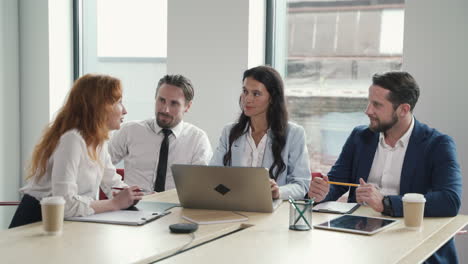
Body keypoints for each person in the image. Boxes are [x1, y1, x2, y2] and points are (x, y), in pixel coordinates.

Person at [308, 71, 462, 263]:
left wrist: (386, 203)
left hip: (411, 240)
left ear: (404, 110)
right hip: (359, 238)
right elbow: (336, 182)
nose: (368, 110)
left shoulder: (437, 144)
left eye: (377, 105)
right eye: (369, 102)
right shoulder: (360, 137)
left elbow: (450, 200)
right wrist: (323, 191)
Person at [9, 74, 143, 228]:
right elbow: (64, 205)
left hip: (70, 221)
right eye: (119, 102)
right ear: (100, 107)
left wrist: (132, 195)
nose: (125, 110)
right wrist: (114, 203)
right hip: (37, 222)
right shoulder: (72, 140)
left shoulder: (98, 141)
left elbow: (112, 182)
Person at [210, 65, 311, 200]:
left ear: (272, 98)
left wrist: (278, 192)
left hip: (273, 213)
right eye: (245, 91)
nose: (248, 99)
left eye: (256, 94)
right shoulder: (229, 132)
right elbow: (212, 176)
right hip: (233, 208)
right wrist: (230, 193)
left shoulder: (294, 134)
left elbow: (301, 184)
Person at [108, 74, 212, 193]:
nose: (165, 109)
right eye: (161, 100)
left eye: (174, 103)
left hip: (176, 208)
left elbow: (201, 186)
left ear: (187, 106)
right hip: (132, 208)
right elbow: (100, 166)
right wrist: (118, 192)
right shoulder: (130, 131)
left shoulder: (197, 139)